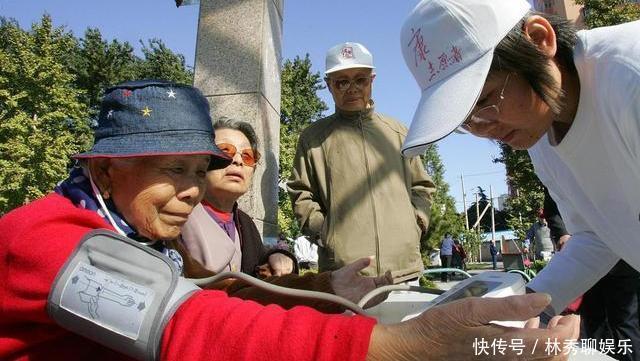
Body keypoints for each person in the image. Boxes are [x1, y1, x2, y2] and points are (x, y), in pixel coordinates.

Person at [0, 80, 581, 360]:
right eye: (171, 169)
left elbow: (221, 291)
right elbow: (194, 327)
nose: (188, 190)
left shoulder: (146, 237)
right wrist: (402, 347)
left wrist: (328, 286)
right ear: (105, 173)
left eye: (196, 170)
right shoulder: (46, 242)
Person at [400, 0, 640, 331]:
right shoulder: (539, 133)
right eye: (464, 120)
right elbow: (596, 235)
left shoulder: (630, 77)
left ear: (539, 40)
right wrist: (519, 305)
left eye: (485, 101)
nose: (483, 129)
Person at [287, 41, 435, 283]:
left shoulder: (398, 133)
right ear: (328, 85)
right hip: (345, 273)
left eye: (360, 79)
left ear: (372, 80)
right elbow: (300, 192)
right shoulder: (313, 138)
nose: (352, 88)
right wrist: (326, 232)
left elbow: (422, 186)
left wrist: (415, 224)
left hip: (403, 268)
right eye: (341, 81)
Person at [180, 117, 297, 278]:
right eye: (225, 151)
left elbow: (260, 265)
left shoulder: (245, 223)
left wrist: (279, 258)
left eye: (247, 156)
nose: (237, 161)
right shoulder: (177, 215)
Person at [544, 188, 640, 361]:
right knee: (593, 320)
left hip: (622, 253)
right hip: (584, 255)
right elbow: (553, 202)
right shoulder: (560, 166)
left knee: (624, 321)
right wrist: (562, 234)